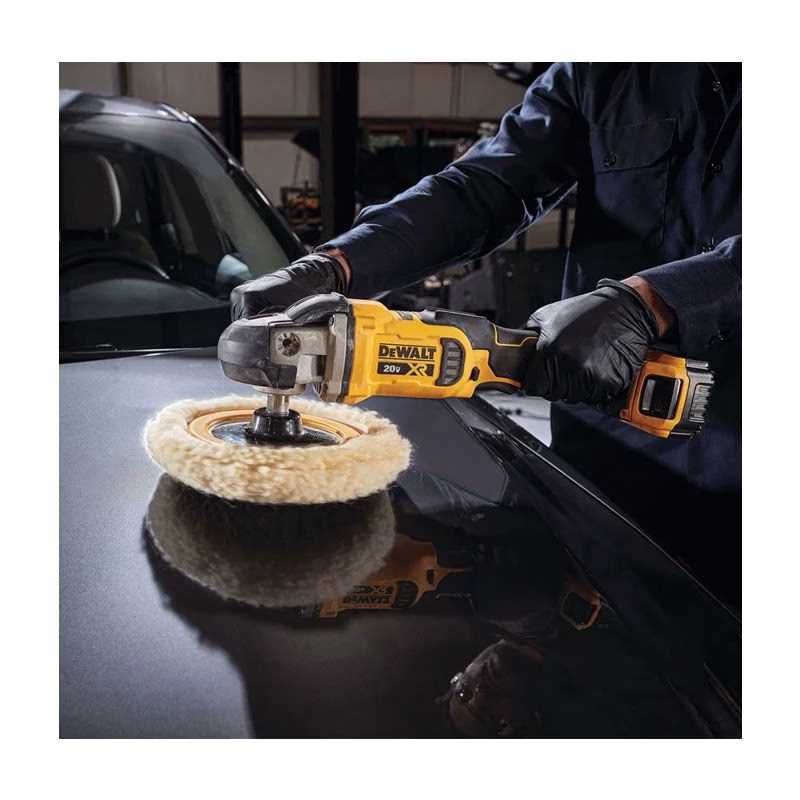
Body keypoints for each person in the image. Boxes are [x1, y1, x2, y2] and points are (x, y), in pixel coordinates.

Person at [231, 63, 742, 609]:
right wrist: (337, 266)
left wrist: (655, 301)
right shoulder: (606, 67)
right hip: (601, 461)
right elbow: (488, 186)